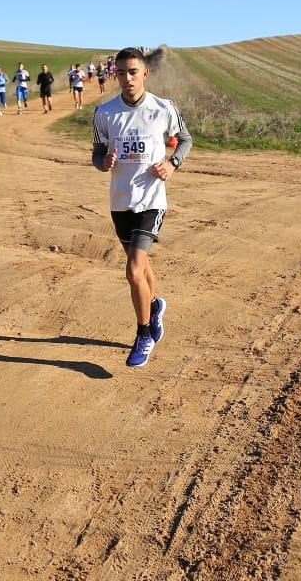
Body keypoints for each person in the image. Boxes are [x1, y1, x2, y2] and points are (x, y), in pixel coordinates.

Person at [92, 47, 193, 368]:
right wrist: (103, 161)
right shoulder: (104, 113)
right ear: (115, 75)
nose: (127, 78)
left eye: (133, 72)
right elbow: (96, 154)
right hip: (120, 201)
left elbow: (185, 139)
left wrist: (172, 163)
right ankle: (154, 306)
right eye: (121, 73)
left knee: (133, 270)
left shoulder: (163, 108)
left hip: (152, 200)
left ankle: (143, 333)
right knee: (142, 268)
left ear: (144, 73)